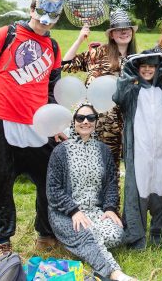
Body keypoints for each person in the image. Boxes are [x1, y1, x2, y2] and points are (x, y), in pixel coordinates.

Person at [0, 0, 64, 256]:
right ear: (32, 10)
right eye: (42, 13)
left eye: (52, 16)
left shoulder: (53, 46)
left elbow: (53, 89)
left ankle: (46, 235)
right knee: (0, 183)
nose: (45, 20)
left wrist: (55, 122)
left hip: (37, 124)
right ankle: (4, 242)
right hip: (0, 120)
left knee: (49, 180)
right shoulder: (6, 34)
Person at [47, 105, 136, 281]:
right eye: (80, 118)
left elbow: (111, 183)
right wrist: (74, 211)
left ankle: (79, 245)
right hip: (66, 214)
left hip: (95, 212)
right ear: (73, 121)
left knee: (116, 235)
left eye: (90, 118)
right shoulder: (60, 151)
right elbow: (53, 190)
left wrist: (109, 208)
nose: (85, 122)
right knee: (88, 233)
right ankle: (115, 273)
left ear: (96, 121)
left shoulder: (103, 150)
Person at [112, 51, 162, 248]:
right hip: (140, 150)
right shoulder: (132, 92)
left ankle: (160, 233)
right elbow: (118, 96)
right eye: (143, 66)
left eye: (151, 66)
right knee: (139, 189)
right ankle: (135, 237)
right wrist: (128, 70)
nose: (147, 69)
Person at [62, 10, 139, 169]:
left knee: (111, 169)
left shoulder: (136, 61)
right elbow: (66, 65)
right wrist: (80, 38)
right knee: (84, 167)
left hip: (117, 127)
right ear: (111, 34)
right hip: (90, 121)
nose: (123, 32)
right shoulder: (98, 53)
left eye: (127, 29)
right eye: (118, 29)